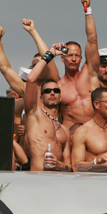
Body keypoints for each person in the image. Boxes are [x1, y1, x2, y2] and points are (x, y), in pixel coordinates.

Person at [24, 43, 71, 171]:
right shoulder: (35, 115)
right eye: (47, 91)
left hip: (58, 182)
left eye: (56, 91)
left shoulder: (64, 130)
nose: (52, 93)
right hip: (38, 180)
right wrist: (50, 55)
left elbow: (70, 166)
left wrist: (62, 166)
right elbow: (31, 79)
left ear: (60, 97)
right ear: (40, 98)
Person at [57, 0, 100, 129]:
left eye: (77, 56)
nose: (74, 59)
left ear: (81, 58)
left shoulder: (90, 73)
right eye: (70, 55)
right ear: (63, 59)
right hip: (70, 135)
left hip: (94, 132)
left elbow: (92, 39)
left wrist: (87, 10)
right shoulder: (58, 87)